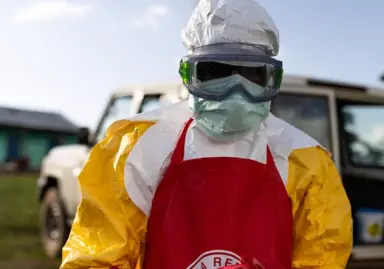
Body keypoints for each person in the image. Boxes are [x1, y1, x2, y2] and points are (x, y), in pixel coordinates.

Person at [60, 0, 352, 268]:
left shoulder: (306, 162)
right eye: (215, 73)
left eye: (252, 76)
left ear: (272, 80)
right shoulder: (137, 149)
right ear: (188, 75)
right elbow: (97, 256)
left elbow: (322, 258)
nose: (235, 92)